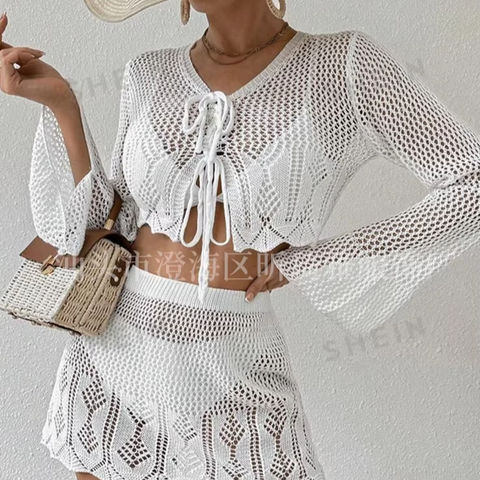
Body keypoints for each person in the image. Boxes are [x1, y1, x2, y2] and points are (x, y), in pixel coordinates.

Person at [1, 0, 479, 478]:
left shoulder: (343, 66)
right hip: (113, 356)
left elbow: (470, 183)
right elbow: (115, 221)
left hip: (235, 363)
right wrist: (62, 104)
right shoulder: (148, 73)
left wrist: (313, 261)